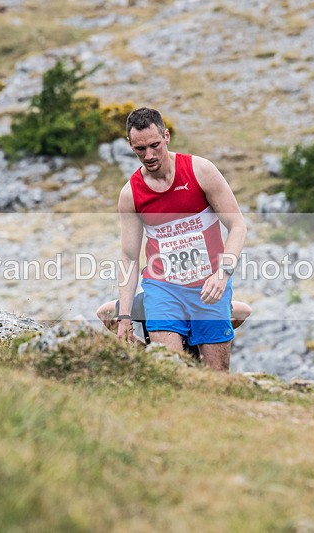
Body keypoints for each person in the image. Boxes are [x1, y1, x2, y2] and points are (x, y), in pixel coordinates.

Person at [116, 107, 246, 371]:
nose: (149, 156)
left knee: (216, 378)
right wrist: (124, 316)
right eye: (140, 149)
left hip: (209, 287)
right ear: (130, 145)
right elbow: (129, 257)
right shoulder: (130, 195)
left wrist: (222, 274)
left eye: (155, 145)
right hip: (164, 288)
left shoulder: (200, 171)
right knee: (173, 372)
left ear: (166, 136)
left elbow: (237, 225)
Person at [95, 294, 252, 350]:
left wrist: (216, 330)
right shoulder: (146, 302)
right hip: (161, 359)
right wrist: (133, 338)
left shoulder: (202, 301)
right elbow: (103, 312)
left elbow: (244, 311)